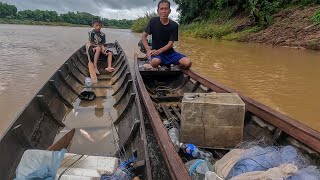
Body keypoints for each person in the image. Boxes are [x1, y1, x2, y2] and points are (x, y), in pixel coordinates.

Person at [141, 0, 192, 69]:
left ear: (169, 11)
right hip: (156, 54)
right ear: (158, 11)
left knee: (188, 63)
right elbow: (143, 37)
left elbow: (170, 44)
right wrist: (148, 51)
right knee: (155, 62)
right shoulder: (153, 21)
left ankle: (176, 68)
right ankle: (153, 63)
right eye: (161, 9)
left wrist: (159, 51)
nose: (164, 11)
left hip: (170, 54)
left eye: (166, 9)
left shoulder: (174, 25)